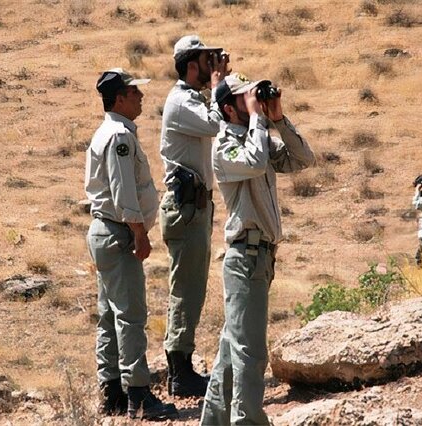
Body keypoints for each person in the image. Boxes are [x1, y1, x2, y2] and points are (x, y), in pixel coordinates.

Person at [200, 73, 316, 425]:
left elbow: (302, 159)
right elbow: (252, 162)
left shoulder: (259, 137)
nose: (253, 101)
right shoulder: (225, 146)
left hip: (260, 258)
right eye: (244, 98)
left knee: (231, 353)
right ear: (229, 109)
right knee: (250, 354)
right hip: (245, 258)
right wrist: (257, 120)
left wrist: (277, 118)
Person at [85, 68, 178, 421]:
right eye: (134, 91)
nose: (140, 96)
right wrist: (139, 232)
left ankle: (111, 392)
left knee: (109, 315)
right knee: (131, 316)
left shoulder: (106, 131)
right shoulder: (119, 136)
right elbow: (124, 191)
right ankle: (138, 395)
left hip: (105, 231)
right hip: (118, 232)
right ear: (120, 98)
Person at [159, 34, 230, 398]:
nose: (211, 66)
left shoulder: (192, 100)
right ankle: (180, 372)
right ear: (190, 65)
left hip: (194, 207)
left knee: (192, 288)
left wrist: (220, 85)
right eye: (206, 60)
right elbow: (217, 123)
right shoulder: (181, 103)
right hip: (185, 209)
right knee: (186, 290)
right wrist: (219, 87)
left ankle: (181, 366)